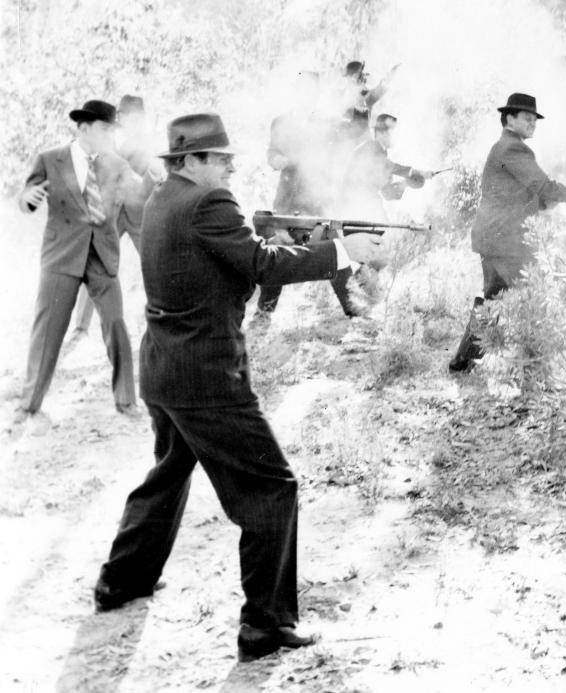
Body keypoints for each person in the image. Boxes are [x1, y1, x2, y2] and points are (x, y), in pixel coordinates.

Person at [92, 113, 383, 662]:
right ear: (191, 161)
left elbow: (223, 264)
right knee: (273, 488)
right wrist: (342, 253)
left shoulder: (163, 200)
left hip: (166, 370)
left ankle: (121, 581)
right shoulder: (210, 204)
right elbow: (261, 264)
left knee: (168, 474)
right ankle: (265, 627)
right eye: (221, 158)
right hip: (208, 376)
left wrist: (305, 243)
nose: (230, 166)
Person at [15, 99, 148, 420]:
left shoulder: (116, 164)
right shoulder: (50, 159)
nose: (109, 136)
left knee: (116, 323)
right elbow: (26, 195)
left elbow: (140, 197)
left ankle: (126, 400)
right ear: (84, 127)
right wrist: (27, 199)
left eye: (112, 130)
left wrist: (157, 177)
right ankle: (29, 403)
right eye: (104, 129)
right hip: (61, 258)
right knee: (48, 331)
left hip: (102, 258)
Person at [448, 92, 566, 373]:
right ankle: (538, 365)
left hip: (493, 237)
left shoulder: (503, 147)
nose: (532, 123)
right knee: (536, 295)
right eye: (527, 118)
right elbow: (545, 188)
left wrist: (544, 200)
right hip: (506, 241)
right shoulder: (514, 149)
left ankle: (462, 360)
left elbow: (520, 195)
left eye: (535, 119)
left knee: (493, 298)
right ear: (510, 118)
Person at [253, 71, 357, 320]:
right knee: (277, 251)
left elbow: (354, 133)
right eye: (302, 90)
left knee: (333, 249)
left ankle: (355, 310)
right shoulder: (281, 122)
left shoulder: (328, 122)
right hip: (287, 200)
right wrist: (279, 160)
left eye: (312, 91)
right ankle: (264, 313)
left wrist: (360, 99)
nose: (307, 96)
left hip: (318, 198)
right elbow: (271, 154)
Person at [72, 94, 159, 336]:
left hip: (140, 214)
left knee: (154, 265)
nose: (129, 122)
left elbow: (154, 178)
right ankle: (81, 325)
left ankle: (163, 313)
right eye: (124, 117)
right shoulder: (112, 143)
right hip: (115, 212)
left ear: (141, 119)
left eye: (134, 118)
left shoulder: (148, 145)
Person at [341, 113, 435, 218]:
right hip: (354, 203)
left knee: (382, 221)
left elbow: (387, 193)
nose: (396, 136)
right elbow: (388, 166)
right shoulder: (370, 148)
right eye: (393, 132)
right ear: (381, 132)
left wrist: (406, 184)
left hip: (363, 203)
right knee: (379, 218)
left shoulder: (382, 155)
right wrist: (418, 172)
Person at [338, 59, 399, 142]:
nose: (363, 76)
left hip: (358, 141)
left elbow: (376, 93)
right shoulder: (349, 94)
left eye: (361, 74)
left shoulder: (361, 93)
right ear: (352, 76)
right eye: (359, 74)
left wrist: (390, 76)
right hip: (351, 141)